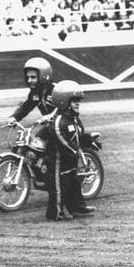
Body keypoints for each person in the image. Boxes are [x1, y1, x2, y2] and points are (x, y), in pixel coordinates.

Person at [45, 80, 96, 221]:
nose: (77, 103)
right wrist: (74, 152)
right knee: (58, 187)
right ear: (63, 102)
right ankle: (55, 213)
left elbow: (78, 136)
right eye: (74, 101)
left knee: (73, 183)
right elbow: (61, 139)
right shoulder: (59, 121)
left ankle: (77, 207)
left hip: (69, 160)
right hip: (57, 162)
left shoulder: (73, 119)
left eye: (78, 100)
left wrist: (90, 138)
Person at [8, 57, 56, 126]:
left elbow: (66, 109)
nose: (29, 80)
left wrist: (52, 115)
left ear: (44, 75)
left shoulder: (56, 90)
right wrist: (14, 117)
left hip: (65, 126)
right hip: (51, 126)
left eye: (33, 77)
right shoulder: (35, 93)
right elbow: (26, 106)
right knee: (36, 137)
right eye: (28, 77)